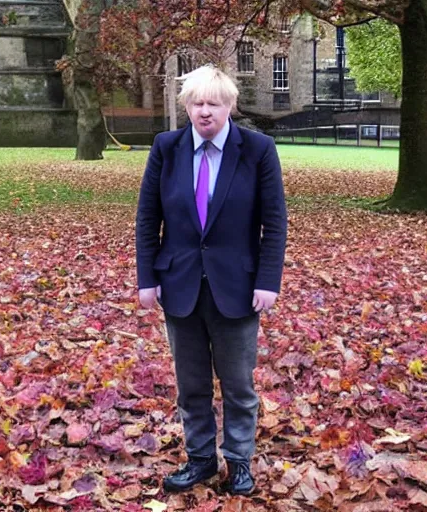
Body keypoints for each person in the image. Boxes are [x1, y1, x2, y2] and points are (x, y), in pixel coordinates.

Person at [136, 65, 287, 496]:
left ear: (230, 106)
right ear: (186, 106)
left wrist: (268, 280)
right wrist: (147, 278)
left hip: (238, 287)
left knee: (239, 384)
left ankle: (238, 460)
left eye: (213, 103)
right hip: (179, 284)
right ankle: (200, 458)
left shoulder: (258, 150)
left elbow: (274, 222)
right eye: (197, 103)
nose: (205, 112)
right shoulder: (167, 148)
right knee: (191, 383)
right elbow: (148, 218)